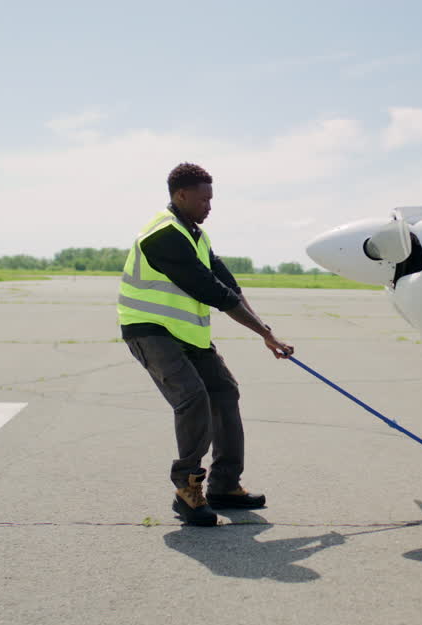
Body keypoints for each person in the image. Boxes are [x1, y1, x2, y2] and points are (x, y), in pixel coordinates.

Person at [118, 162, 294, 526]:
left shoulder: (196, 235)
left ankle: (224, 486)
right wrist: (265, 334)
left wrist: (266, 329)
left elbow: (228, 285)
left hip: (187, 335)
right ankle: (187, 488)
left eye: (211, 199)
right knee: (193, 399)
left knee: (224, 392)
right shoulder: (164, 235)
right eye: (204, 199)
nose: (209, 206)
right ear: (181, 195)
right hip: (150, 331)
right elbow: (211, 291)